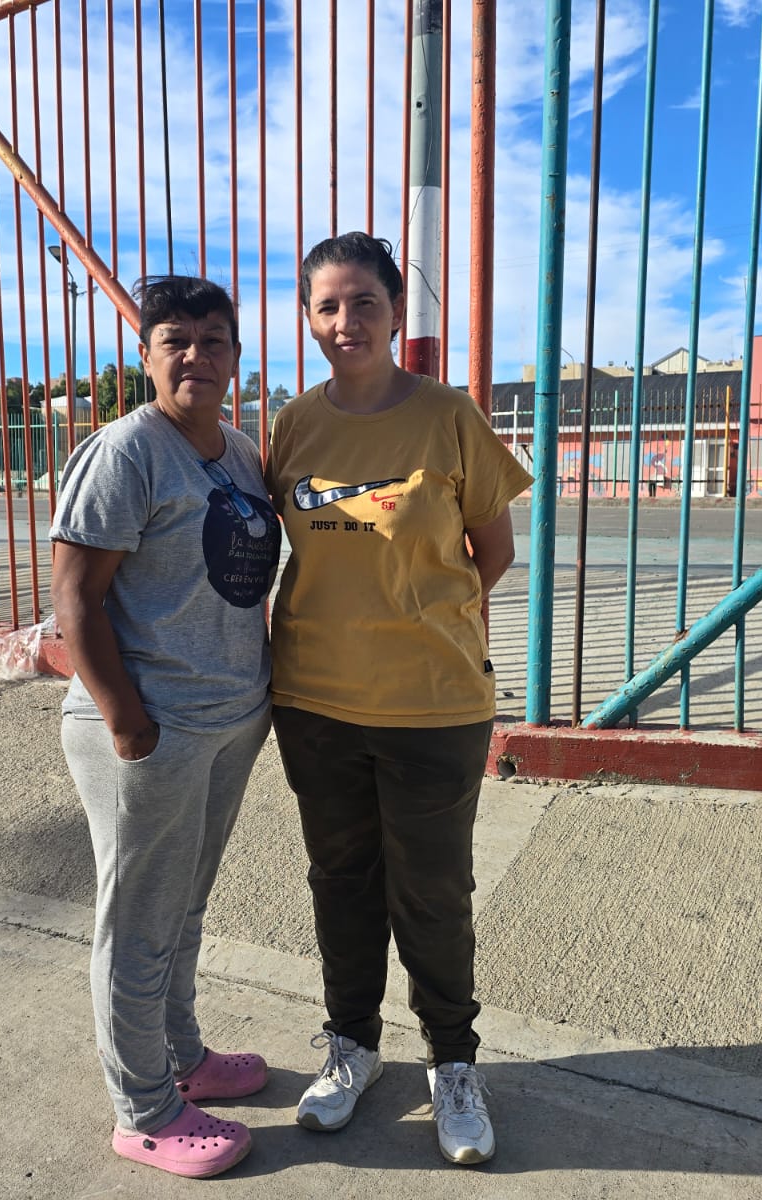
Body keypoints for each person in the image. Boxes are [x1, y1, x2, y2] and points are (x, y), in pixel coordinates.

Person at [264, 232, 532, 1166]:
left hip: (433, 704)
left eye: (364, 302)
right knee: (341, 882)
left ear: (394, 312)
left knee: (433, 893)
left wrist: (424, 617)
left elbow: (493, 550)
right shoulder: (294, 424)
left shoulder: (449, 416)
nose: (347, 321)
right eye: (328, 305)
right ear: (309, 319)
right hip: (314, 701)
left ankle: (452, 1064)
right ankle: (352, 1047)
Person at [50, 274, 280, 1180]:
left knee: (183, 905)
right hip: (152, 727)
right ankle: (143, 1110)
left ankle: (183, 1057)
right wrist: (125, 721)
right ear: (145, 356)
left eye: (212, 340)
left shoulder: (241, 452)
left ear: (235, 356)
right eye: (174, 340)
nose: (195, 356)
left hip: (229, 717)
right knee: (138, 921)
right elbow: (76, 598)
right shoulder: (126, 451)